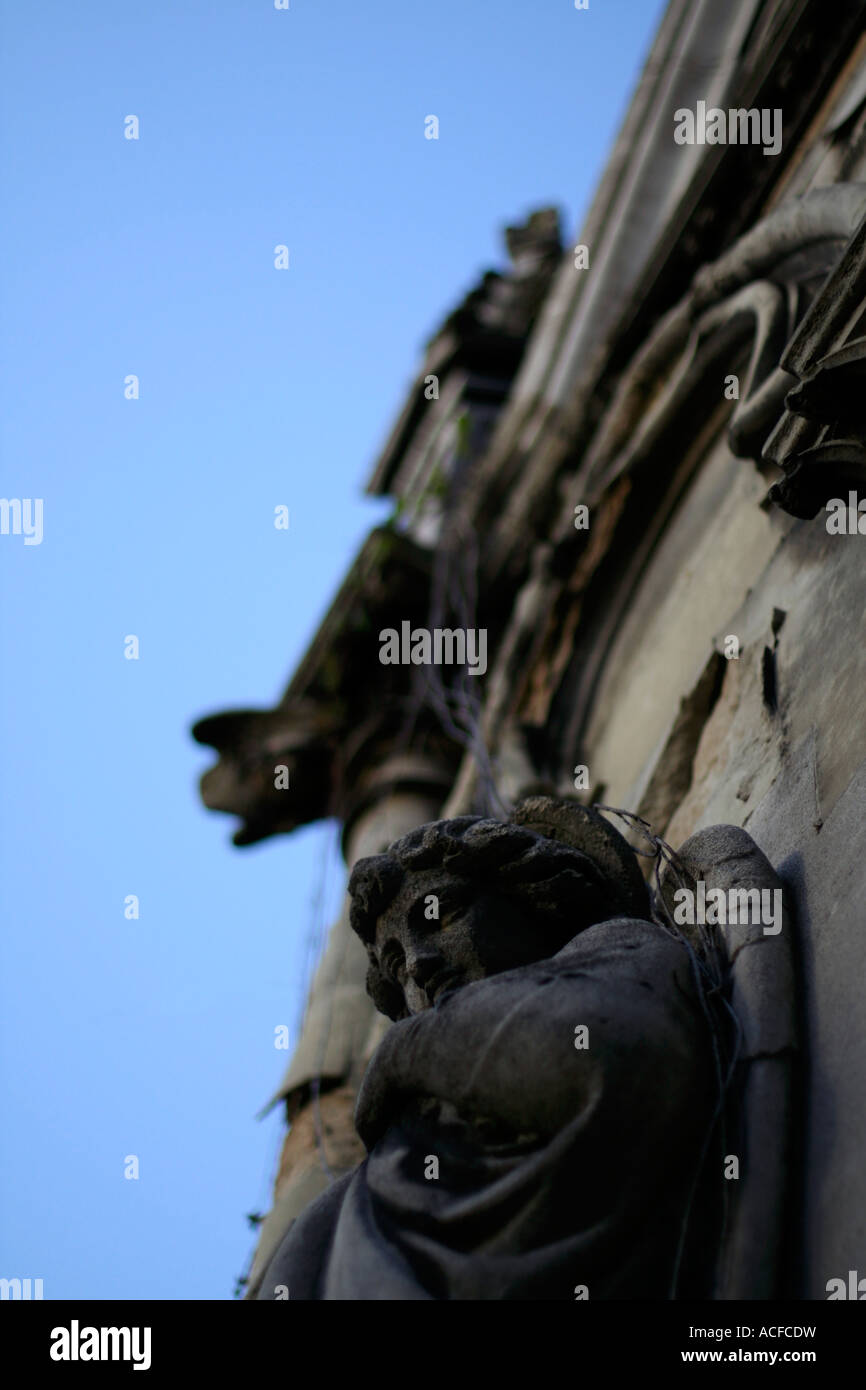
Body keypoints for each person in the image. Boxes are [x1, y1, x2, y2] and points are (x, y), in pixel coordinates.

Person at [259, 798, 721, 1300]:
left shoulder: (619, 947)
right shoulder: (375, 1174)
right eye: (396, 962)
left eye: (441, 915)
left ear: (535, 901)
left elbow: (607, 1060)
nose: (418, 965)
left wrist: (400, 1053)